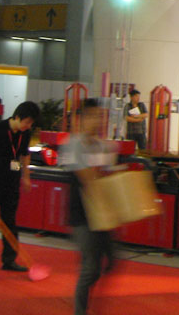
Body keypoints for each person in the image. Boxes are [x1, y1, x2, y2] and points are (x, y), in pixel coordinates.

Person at [59, 98, 118, 315]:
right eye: (92, 116)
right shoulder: (72, 145)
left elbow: (108, 174)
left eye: (100, 116)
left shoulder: (103, 145)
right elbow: (88, 178)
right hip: (81, 215)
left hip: (103, 214)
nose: (97, 120)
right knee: (90, 267)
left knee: (110, 262)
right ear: (81, 119)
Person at [0, 101, 39, 272]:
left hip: (11, 183)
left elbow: (24, 155)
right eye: (27, 122)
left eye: (31, 123)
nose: (28, 126)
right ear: (17, 117)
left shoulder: (25, 134)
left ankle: (9, 260)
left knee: (10, 222)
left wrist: (26, 177)